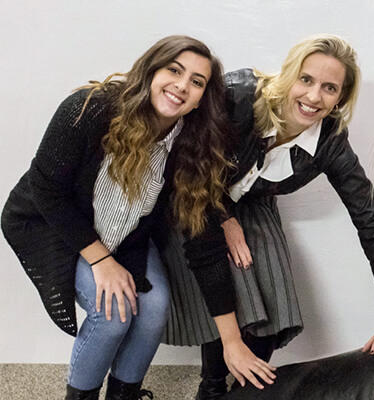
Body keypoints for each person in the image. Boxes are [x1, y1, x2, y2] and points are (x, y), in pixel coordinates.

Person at [157, 34, 374, 399]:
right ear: (290, 74)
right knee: (236, 272)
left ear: (341, 97)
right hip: (197, 195)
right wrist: (224, 220)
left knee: (276, 297)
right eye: (306, 80)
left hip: (252, 203)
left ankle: (246, 390)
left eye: (329, 88)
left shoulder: (331, 142)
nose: (312, 97)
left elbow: (371, 217)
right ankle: (211, 388)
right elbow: (186, 162)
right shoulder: (239, 95)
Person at [1, 35, 233, 400]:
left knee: (154, 309)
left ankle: (123, 395)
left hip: (124, 233)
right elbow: (46, 191)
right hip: (51, 224)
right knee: (113, 314)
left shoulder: (190, 141)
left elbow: (202, 234)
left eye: (196, 81)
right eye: (174, 70)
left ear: (202, 98)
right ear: (151, 69)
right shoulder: (89, 108)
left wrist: (231, 339)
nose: (182, 86)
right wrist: (101, 260)